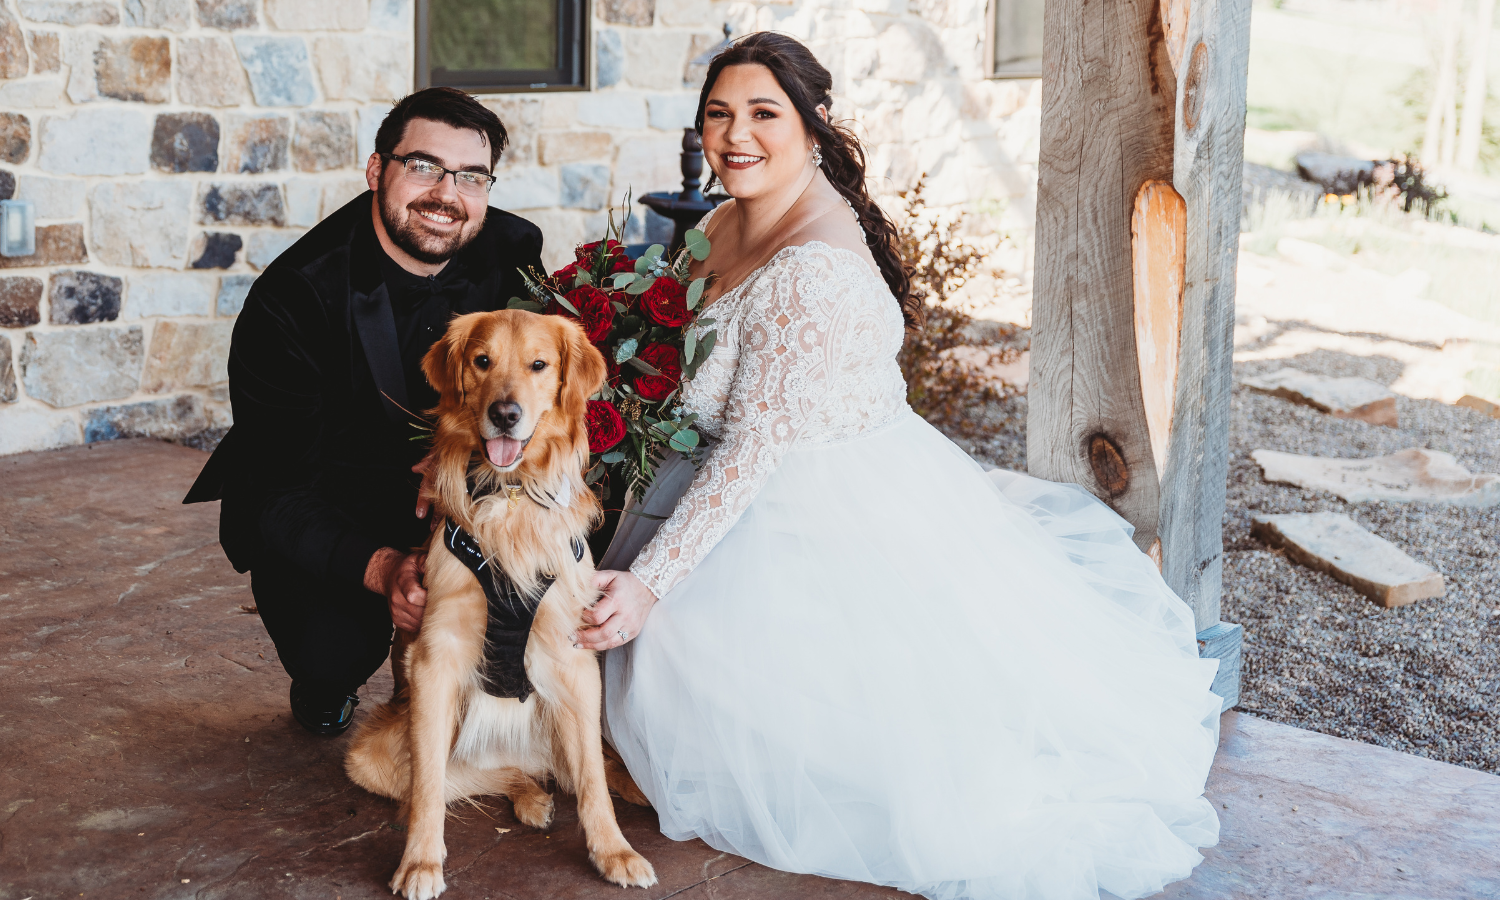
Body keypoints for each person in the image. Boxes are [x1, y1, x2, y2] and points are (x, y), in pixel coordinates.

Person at [577, 33, 1223, 900]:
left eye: (764, 114)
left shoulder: (811, 271)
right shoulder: (729, 217)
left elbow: (756, 448)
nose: (736, 135)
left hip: (809, 504)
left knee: (680, 669)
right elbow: (672, 352)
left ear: (814, 127)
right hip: (736, 470)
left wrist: (653, 583)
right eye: (719, 115)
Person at [183, 88, 545, 737]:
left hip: (455, 484)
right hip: (327, 490)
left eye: (470, 176)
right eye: (424, 166)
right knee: (333, 652)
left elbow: (536, 385)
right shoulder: (291, 299)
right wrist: (382, 568)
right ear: (378, 170)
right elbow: (277, 488)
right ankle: (324, 686)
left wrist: (456, 452)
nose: (446, 194)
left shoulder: (512, 251)